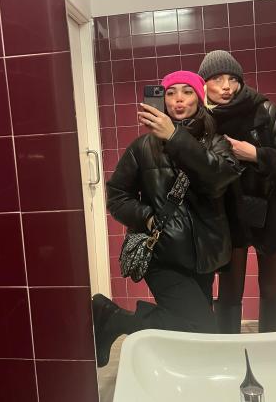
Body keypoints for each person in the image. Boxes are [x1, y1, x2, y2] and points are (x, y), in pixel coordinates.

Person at [92, 70, 242, 367]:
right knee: (202, 329)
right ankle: (117, 319)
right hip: (162, 254)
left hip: (205, 254)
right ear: (162, 101)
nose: (178, 99)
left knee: (191, 334)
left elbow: (219, 180)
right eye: (171, 93)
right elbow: (117, 196)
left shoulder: (217, 143)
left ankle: (115, 319)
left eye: (187, 92)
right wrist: (147, 218)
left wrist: (175, 138)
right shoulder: (142, 148)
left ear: (199, 99)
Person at [198, 50, 276, 333]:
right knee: (229, 291)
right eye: (217, 79)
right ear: (204, 84)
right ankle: (228, 353)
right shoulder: (203, 120)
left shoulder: (263, 109)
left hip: (272, 209)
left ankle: (271, 351)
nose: (226, 86)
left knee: (272, 289)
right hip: (228, 214)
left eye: (233, 79)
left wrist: (256, 154)